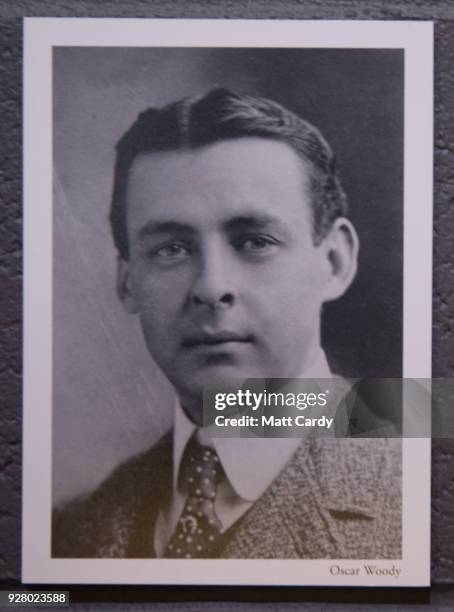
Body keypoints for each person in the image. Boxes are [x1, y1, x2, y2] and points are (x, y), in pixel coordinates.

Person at [52, 88, 401, 559]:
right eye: (170, 249)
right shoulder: (70, 533)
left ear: (335, 262)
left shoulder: (417, 499)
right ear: (128, 281)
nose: (211, 288)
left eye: (255, 241)